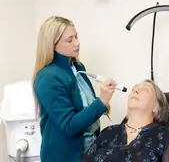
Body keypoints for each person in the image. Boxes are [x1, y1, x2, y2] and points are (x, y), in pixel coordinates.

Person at [32, 16, 116, 162]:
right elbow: (69, 125)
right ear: (52, 44)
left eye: (76, 37)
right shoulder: (48, 78)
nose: (77, 43)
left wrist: (101, 104)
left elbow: (79, 106)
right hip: (65, 156)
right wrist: (101, 102)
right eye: (69, 40)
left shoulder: (77, 67)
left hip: (90, 149)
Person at [82, 79, 169, 162]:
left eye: (145, 89)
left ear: (156, 107)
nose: (135, 90)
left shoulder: (166, 138)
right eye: (134, 88)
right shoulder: (108, 133)